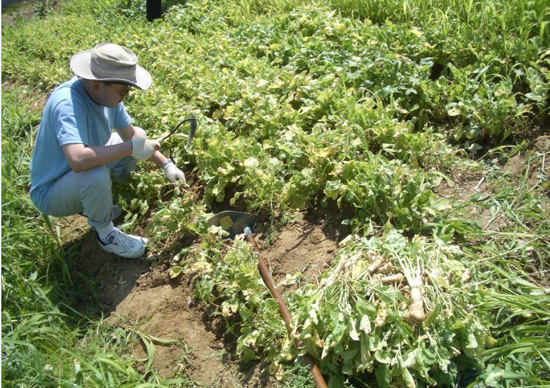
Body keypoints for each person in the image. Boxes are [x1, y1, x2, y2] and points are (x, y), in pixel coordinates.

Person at [29, 43, 185, 259]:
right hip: (51, 190)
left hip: (75, 175)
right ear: (96, 86)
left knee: (135, 137)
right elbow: (77, 160)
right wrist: (129, 148)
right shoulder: (67, 102)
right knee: (95, 175)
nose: (125, 96)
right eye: (123, 92)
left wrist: (166, 164)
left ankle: (97, 201)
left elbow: (132, 137)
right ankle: (106, 234)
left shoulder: (108, 96)